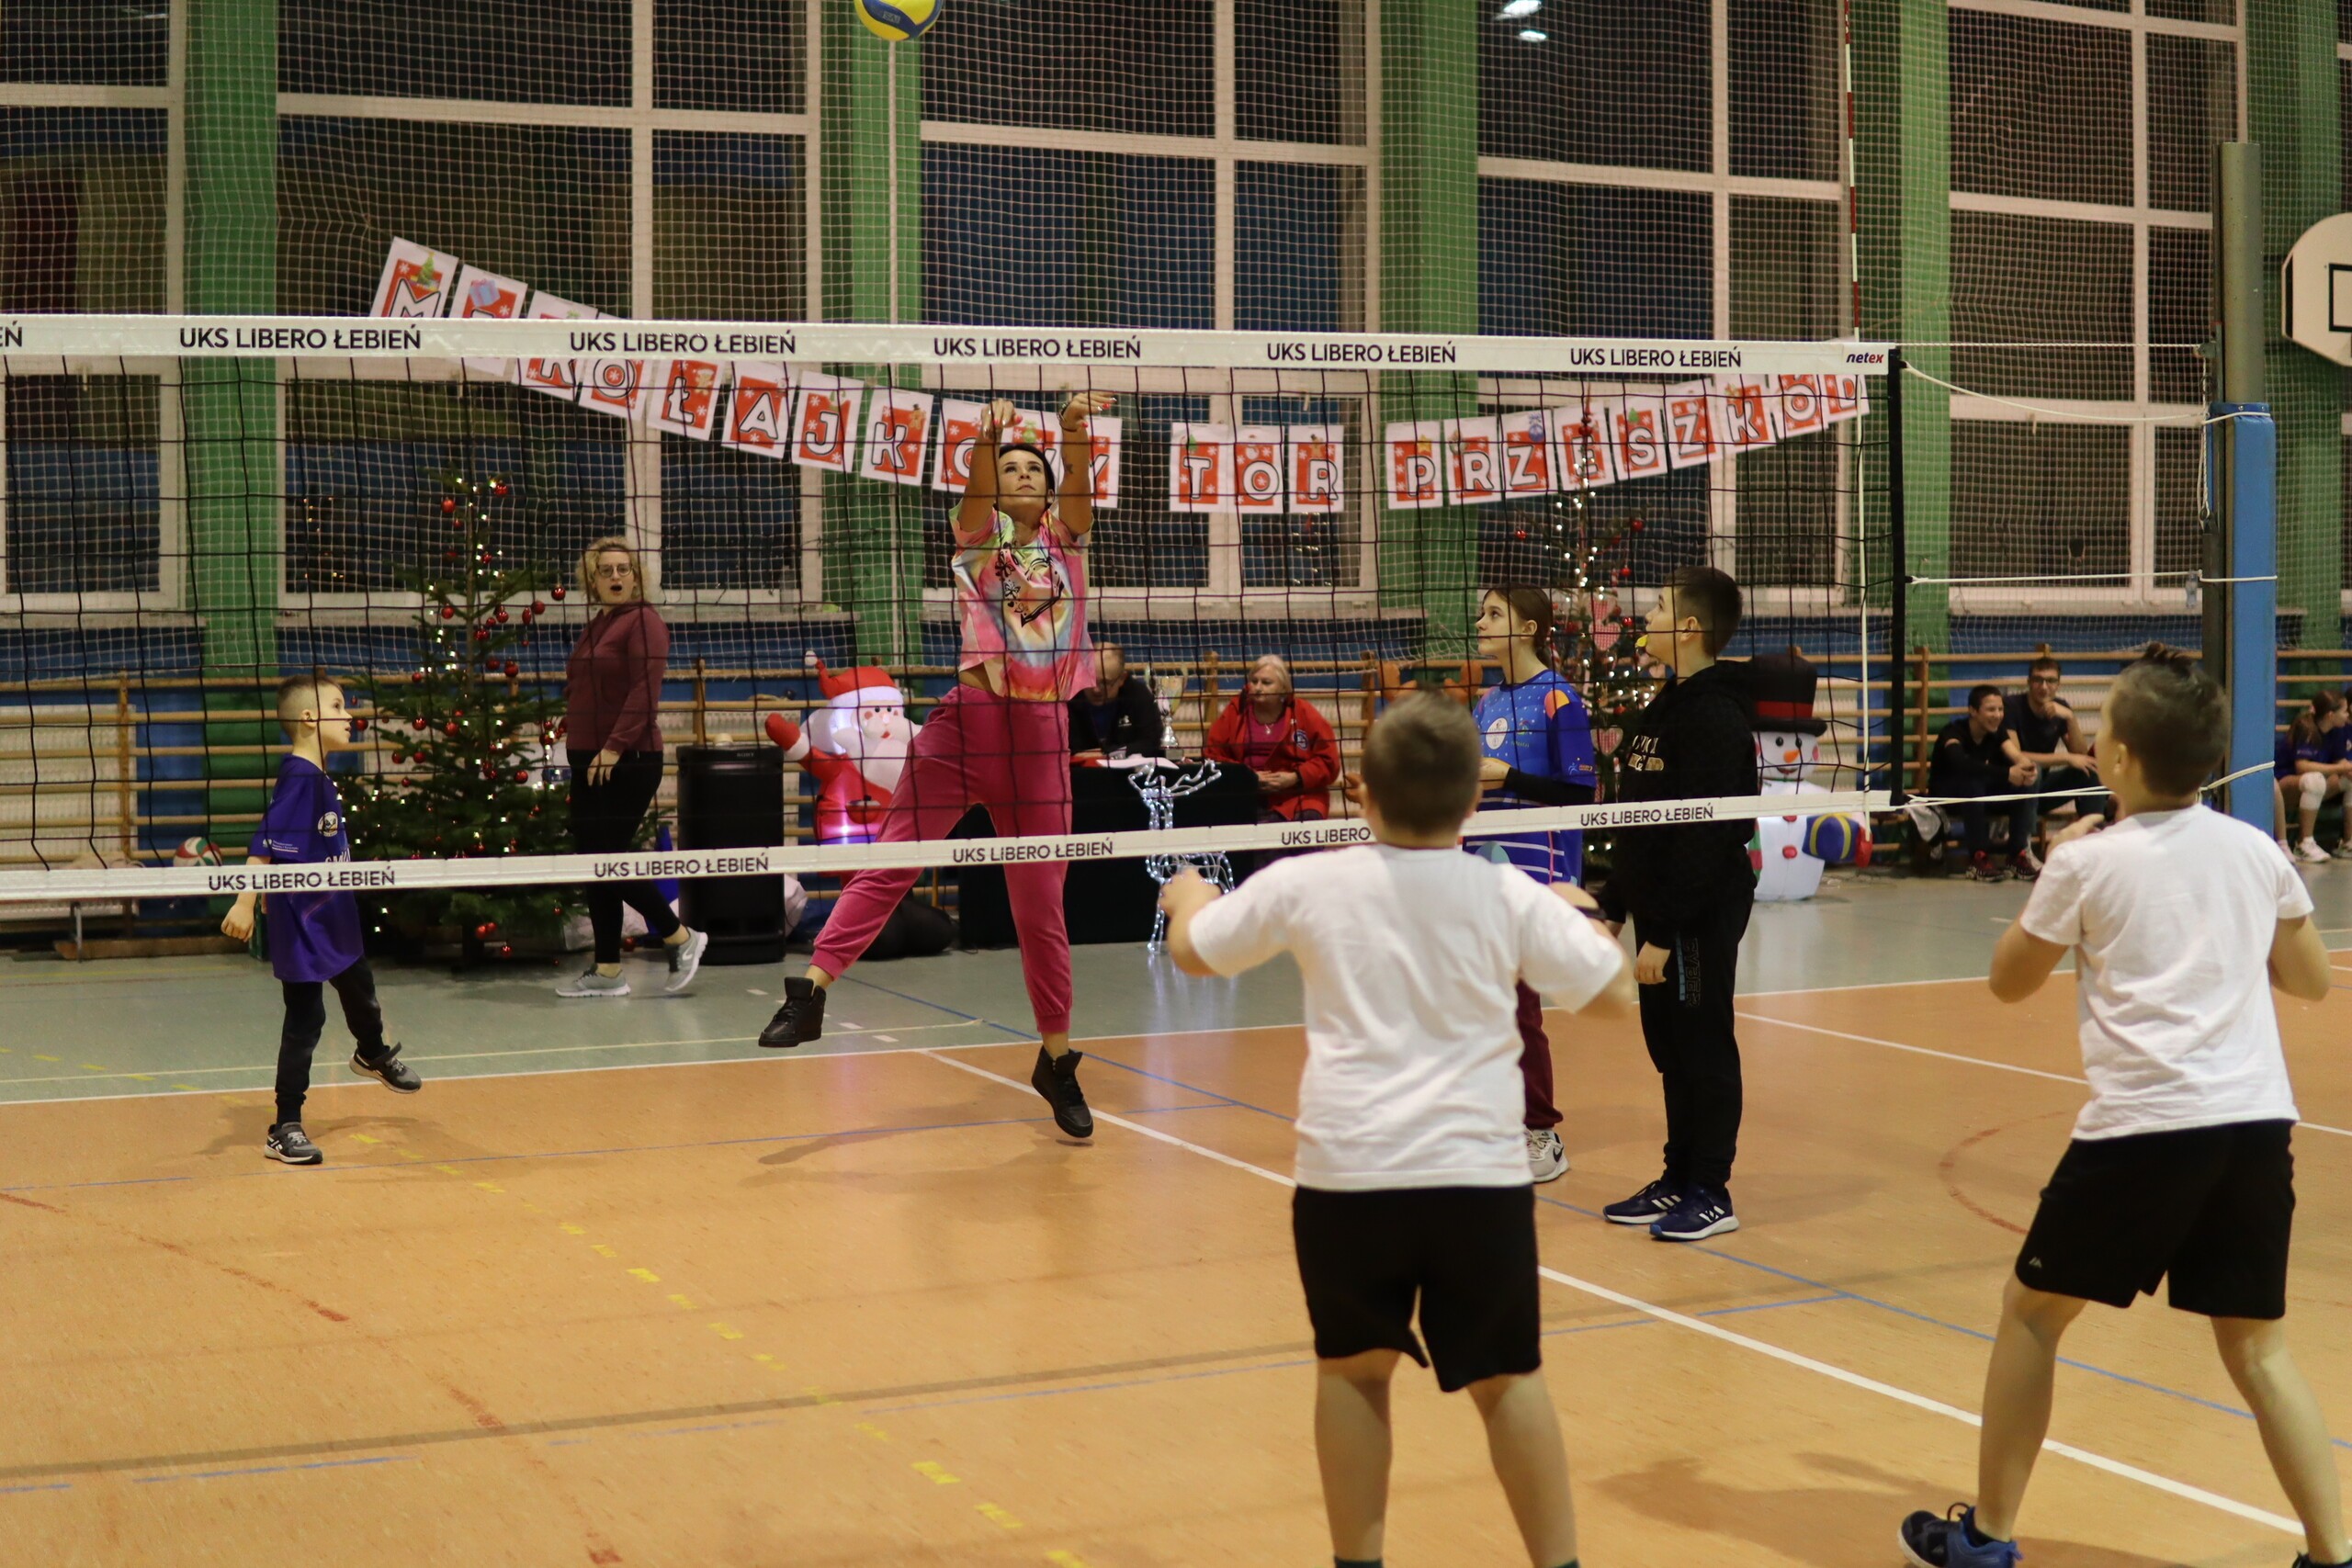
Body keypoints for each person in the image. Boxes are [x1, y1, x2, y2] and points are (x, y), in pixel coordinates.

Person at [1896, 646, 2347, 1568]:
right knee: (2259, 1350)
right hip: (2255, 1126)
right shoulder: (2255, 850)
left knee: (2031, 1314)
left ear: (2120, 758)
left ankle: (1986, 1538)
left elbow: (2007, 981)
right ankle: (2334, 1553)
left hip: (2146, 1130)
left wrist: (2057, 873)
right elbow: (2309, 981)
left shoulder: (2087, 862)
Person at [1159, 694, 1634, 1568]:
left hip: (1350, 1176)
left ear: (1363, 795)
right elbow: (1612, 994)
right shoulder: (1505, 891)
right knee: (1508, 1377)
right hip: (1478, 1184)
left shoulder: (1312, 879)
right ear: (1473, 801)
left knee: (1352, 1369)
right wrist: (1580, 918)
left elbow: (1195, 952)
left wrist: (1189, 896)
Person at [757, 392, 1116, 1144]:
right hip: (966, 731)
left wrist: (1074, 431)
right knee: (892, 861)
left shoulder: (1068, 542)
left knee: (1041, 911)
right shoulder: (980, 541)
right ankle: (809, 991)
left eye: (1034, 468)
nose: (1022, 474)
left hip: (1040, 743)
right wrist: (986, 439)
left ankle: (1057, 1061)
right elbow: (978, 493)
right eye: (1009, 468)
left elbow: (1081, 493)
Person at [1593, 564, 1759, 1243]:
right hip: (1660, 908)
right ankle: (1678, 1177)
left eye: (1659, 606)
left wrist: (1663, 931)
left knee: (1702, 1045)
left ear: (1689, 627)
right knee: (1669, 1047)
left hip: (1697, 910)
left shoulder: (1715, 714)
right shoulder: (1666, 704)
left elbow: (1706, 836)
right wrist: (1614, 902)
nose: (1646, 616)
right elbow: (1641, 821)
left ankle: (1712, 1190)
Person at [220, 676, 424, 1166]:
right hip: (302, 921)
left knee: (361, 990)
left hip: (334, 911)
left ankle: (372, 1053)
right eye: (338, 706)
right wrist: (245, 901)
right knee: (306, 1018)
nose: (349, 716)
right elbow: (264, 843)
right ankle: (285, 1126)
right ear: (309, 718)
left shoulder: (318, 776)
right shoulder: (301, 777)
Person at [1473, 585, 1599, 1185]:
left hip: (1537, 870)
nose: (1480, 622)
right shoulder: (1486, 702)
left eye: (1494, 614)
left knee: (1520, 1005)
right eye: (1482, 612)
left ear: (1527, 629)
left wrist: (1509, 776)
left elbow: (1580, 791)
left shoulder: (1559, 698)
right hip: (1482, 867)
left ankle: (1542, 1134)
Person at [556, 536, 707, 998]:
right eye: (606, 570)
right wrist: (569, 721)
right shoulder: (598, 625)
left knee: (609, 858)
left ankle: (679, 936)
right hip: (588, 758)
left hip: (628, 759)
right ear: (592, 580)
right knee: (594, 862)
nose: (616, 577)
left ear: (637, 577)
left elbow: (644, 692)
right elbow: (586, 685)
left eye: (624, 569)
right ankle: (607, 971)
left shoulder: (644, 622)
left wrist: (614, 747)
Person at [1204, 654, 1340, 821]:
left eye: (1266, 683)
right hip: (1246, 794)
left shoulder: (1303, 712)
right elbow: (1212, 756)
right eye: (1254, 681)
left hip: (1296, 795)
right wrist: (1247, 777)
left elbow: (1328, 762)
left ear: (1283, 687)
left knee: (1308, 817)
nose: (1258, 687)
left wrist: (1296, 777)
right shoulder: (1236, 711)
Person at [1928, 686, 2041, 883]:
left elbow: (2016, 756)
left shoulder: (1997, 732)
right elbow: (1962, 764)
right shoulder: (1953, 733)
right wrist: (2007, 774)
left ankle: (2017, 855)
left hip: (1982, 797)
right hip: (1949, 798)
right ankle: (1978, 858)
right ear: (1973, 711)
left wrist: (2028, 770)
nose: (1997, 715)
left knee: (2023, 785)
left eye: (2000, 709)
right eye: (1991, 710)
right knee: (1973, 783)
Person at [2007, 655, 2102, 831]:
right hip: (2012, 788)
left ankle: (2092, 832)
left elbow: (2080, 754)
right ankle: (2023, 845)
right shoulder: (2011, 706)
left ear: (2058, 685)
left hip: (2042, 790)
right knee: (2032, 770)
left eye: (2051, 681)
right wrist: (2066, 758)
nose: (2044, 687)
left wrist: (2070, 717)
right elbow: (2017, 756)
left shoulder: (2060, 707)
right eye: (2038, 680)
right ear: (2029, 682)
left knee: (2089, 770)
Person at [2273, 691, 2352, 864]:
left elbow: (2341, 762)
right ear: (2331, 715)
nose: (2347, 715)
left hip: (2313, 786)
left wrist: (2347, 769)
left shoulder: (2337, 731)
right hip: (2284, 784)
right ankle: (2304, 844)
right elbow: (2302, 767)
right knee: (2314, 780)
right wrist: (2341, 768)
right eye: (2344, 711)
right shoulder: (2306, 728)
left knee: (2348, 781)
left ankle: (2348, 843)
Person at [1069, 640, 1165, 761]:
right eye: (1091, 680)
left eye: (1105, 683)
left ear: (1122, 679)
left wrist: (1107, 753)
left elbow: (1151, 742)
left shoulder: (1138, 696)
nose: (1096, 690)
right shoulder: (1069, 697)